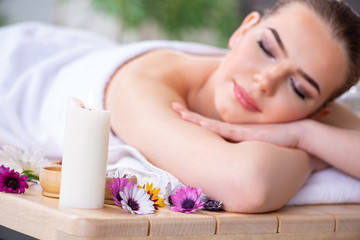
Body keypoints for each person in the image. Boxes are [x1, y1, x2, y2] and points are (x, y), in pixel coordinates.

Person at [0, 0, 359, 213]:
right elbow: (247, 183)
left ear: (319, 110)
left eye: (298, 87)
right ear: (243, 31)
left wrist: (305, 133)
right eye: (266, 48)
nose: (266, 80)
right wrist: (314, 147)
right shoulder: (142, 85)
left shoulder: (307, 117)